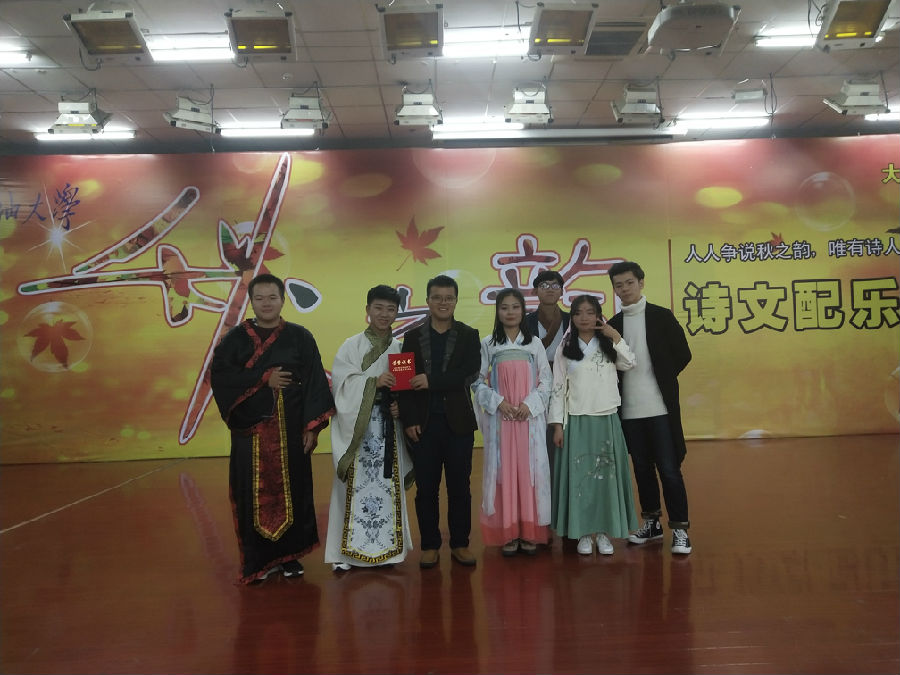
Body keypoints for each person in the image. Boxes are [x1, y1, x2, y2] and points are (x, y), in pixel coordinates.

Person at [210, 273, 335, 584]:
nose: (266, 303)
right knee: (250, 493)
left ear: (282, 299)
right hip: (250, 433)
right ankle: (258, 560)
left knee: (294, 489)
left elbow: (315, 383)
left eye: (272, 297)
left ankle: (290, 556)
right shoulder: (234, 340)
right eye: (260, 298)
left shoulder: (300, 337)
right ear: (251, 302)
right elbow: (222, 378)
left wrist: (312, 428)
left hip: (291, 430)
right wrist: (263, 379)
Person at [324, 285, 414, 572]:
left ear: (397, 313)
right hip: (358, 431)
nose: (384, 314)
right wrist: (374, 382)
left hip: (389, 431)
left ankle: (389, 550)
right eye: (378, 308)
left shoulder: (400, 348)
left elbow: (407, 391)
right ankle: (346, 554)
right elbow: (341, 387)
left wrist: (401, 407)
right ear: (367, 310)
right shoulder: (351, 346)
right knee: (353, 487)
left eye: (391, 309)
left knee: (388, 486)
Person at [606, 261, 693, 555]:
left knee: (669, 469)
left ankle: (680, 529)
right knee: (642, 469)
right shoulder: (614, 324)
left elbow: (683, 354)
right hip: (629, 411)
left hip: (660, 408)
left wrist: (662, 378)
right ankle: (652, 523)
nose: (624, 289)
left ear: (641, 282)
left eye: (629, 283)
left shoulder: (661, 316)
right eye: (618, 285)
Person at [398, 274, 481, 569]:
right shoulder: (410, 337)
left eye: (448, 298)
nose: (443, 303)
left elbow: (469, 372)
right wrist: (408, 420)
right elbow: (403, 382)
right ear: (428, 301)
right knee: (426, 489)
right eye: (437, 297)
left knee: (460, 487)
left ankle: (460, 543)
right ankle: (430, 545)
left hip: (458, 424)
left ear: (455, 301)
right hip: (423, 425)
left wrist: (431, 381)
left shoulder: (469, 335)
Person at [548, 294, 638, 556]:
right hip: (576, 419)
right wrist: (557, 425)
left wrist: (615, 336)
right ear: (572, 318)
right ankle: (584, 533)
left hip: (606, 418)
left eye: (590, 312)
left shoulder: (608, 345)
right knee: (581, 479)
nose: (584, 318)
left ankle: (604, 533)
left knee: (605, 480)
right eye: (578, 313)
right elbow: (557, 388)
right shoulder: (565, 348)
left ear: (598, 316)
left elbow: (629, 363)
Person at [472, 288, 552, 556]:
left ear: (523, 310)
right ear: (497, 311)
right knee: (504, 473)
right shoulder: (488, 344)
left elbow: (546, 380)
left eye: (515, 307)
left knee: (529, 473)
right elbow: (476, 381)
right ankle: (508, 532)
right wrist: (498, 402)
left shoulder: (534, 344)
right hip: (501, 421)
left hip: (529, 420)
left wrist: (530, 404)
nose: (510, 312)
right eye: (504, 307)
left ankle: (529, 532)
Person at [525, 270, 570, 481]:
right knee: (539, 437)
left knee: (564, 436)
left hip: (566, 384)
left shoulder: (572, 320)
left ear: (562, 291)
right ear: (535, 291)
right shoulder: (525, 322)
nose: (550, 290)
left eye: (555, 285)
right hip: (535, 383)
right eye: (544, 286)